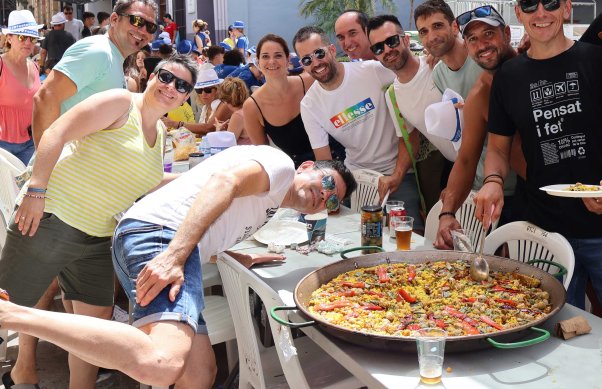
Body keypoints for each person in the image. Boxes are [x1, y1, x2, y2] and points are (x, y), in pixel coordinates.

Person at [0, 150, 354, 388]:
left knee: (199, 374)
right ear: (308, 166)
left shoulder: (272, 202)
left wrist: (234, 255)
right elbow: (223, 184)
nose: (323, 196)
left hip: (159, 238)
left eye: (332, 200)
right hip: (161, 237)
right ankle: (11, 314)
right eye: (326, 183)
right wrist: (175, 255)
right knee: (163, 361)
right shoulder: (280, 167)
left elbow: (212, 212)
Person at [474, 0, 602, 338]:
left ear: (566, 6)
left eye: (551, 2)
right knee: (553, 334)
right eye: (530, 5)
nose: (541, 13)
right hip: (546, 232)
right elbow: (498, 147)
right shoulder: (509, 77)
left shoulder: (599, 61)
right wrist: (493, 180)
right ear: (518, 12)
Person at [0, 55, 196, 388]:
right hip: (52, 219)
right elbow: (57, 132)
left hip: (95, 238)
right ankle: (20, 372)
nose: (171, 88)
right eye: (166, 77)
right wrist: (36, 190)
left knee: (94, 334)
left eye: (182, 85)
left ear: (186, 96)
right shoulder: (120, 102)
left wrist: (198, 177)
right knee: (7, 307)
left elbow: (143, 182)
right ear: (151, 76)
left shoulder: (161, 133)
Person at [294, 27, 421, 220]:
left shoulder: (371, 71)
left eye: (319, 53)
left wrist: (398, 174)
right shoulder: (310, 105)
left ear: (332, 50)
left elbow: (413, 74)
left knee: (410, 234)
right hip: (356, 179)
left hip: (399, 172)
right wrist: (330, 198)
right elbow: (325, 162)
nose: (316, 63)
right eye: (307, 60)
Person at [433, 5, 526, 249]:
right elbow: (466, 158)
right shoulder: (481, 93)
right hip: (513, 196)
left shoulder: (534, 66)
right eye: (472, 39)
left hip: (566, 190)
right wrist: (447, 213)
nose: (482, 45)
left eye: (488, 34)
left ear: (506, 33)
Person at [33, 0, 156, 147]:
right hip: (64, 167)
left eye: (150, 27)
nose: (143, 30)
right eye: (137, 21)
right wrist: (47, 163)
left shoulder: (112, 56)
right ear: (114, 19)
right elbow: (45, 98)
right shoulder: (99, 51)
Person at [366, 15, 454, 214]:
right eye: (379, 48)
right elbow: (409, 139)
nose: (387, 50)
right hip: (455, 169)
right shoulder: (393, 95)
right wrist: (396, 176)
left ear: (405, 40)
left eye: (392, 41)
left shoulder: (438, 65)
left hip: (485, 161)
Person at [242, 34, 314, 166]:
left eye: (278, 55)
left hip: (339, 159)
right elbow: (265, 157)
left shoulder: (309, 82)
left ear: (288, 59)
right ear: (258, 62)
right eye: (265, 56)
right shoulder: (252, 106)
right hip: (300, 174)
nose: (272, 61)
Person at [415, 0, 482, 99]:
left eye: (437, 26)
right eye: (424, 32)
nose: (432, 38)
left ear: (455, 27)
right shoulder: (438, 75)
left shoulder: (482, 55)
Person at [0, 10, 43, 165]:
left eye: (32, 38)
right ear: (9, 38)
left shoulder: (35, 67)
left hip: (29, 143)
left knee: (25, 187)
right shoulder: (1, 65)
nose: (27, 42)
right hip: (2, 144)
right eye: (22, 37)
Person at [163, 64, 229, 136]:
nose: (203, 94)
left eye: (208, 90)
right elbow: (201, 132)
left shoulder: (224, 104)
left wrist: (175, 124)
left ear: (217, 90)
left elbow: (209, 128)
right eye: (199, 90)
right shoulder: (206, 107)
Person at [217, 77, 251, 145]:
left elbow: (226, 145)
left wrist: (218, 130)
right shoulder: (249, 109)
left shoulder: (238, 115)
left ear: (224, 100)